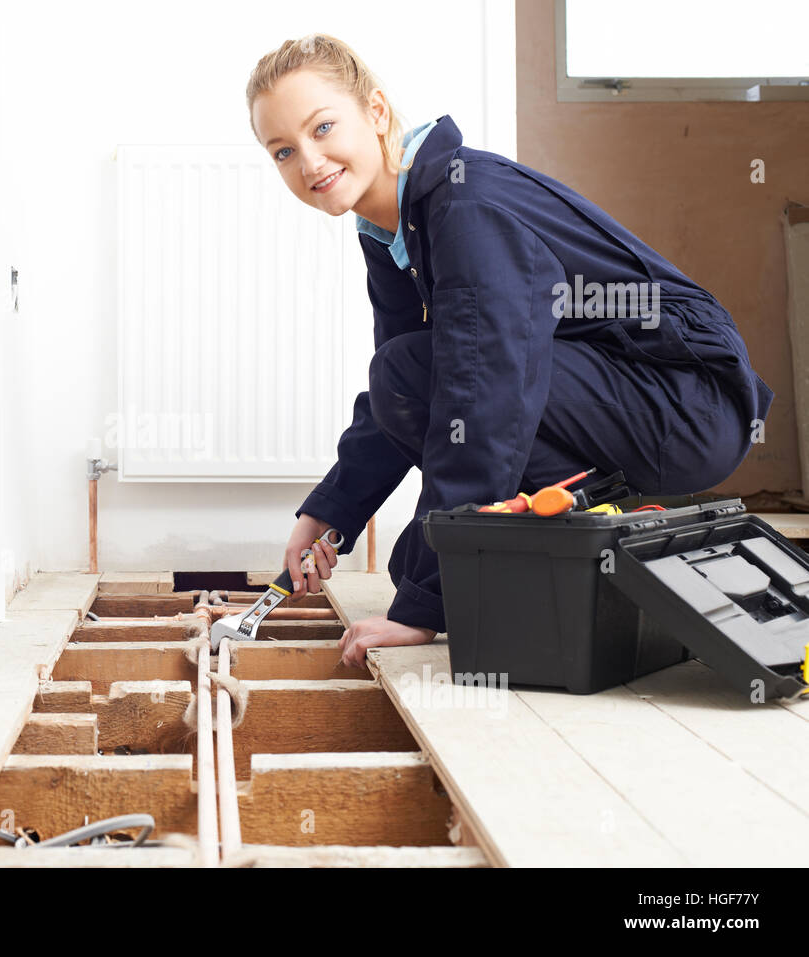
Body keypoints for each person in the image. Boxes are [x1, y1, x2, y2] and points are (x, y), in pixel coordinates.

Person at [246, 34, 775, 666]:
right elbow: (404, 393)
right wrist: (331, 512)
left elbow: (485, 396)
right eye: (283, 150)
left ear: (377, 113)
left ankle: (610, 519)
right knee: (406, 380)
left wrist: (425, 608)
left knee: (439, 400)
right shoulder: (392, 231)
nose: (309, 161)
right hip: (622, 401)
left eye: (323, 127)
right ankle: (594, 531)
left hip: (685, 403)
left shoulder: (466, 205)